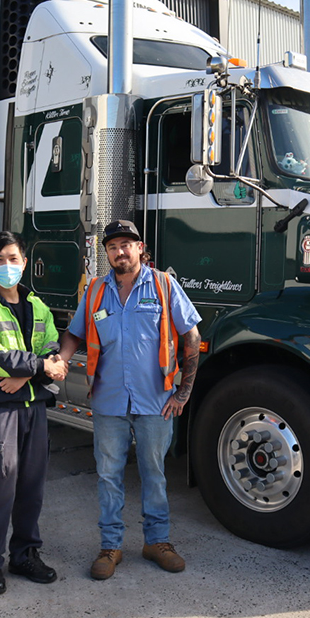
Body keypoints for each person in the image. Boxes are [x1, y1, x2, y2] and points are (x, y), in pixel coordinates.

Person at [58, 220, 201, 581]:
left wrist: (183, 392)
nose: (119, 251)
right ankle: (110, 546)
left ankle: (157, 542)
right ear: (106, 254)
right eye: (112, 247)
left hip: (156, 401)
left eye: (126, 244)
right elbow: (74, 334)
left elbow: (192, 336)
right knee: (108, 476)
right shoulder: (94, 292)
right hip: (108, 402)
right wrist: (61, 358)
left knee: (154, 474)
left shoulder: (165, 286)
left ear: (140, 248)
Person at [0, 231, 68, 596]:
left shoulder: (37, 305)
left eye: (14, 258)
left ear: (25, 262)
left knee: (31, 488)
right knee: (0, 489)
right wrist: (37, 367)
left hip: (33, 409)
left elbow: (53, 347)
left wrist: (24, 375)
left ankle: (24, 555)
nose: (8, 266)